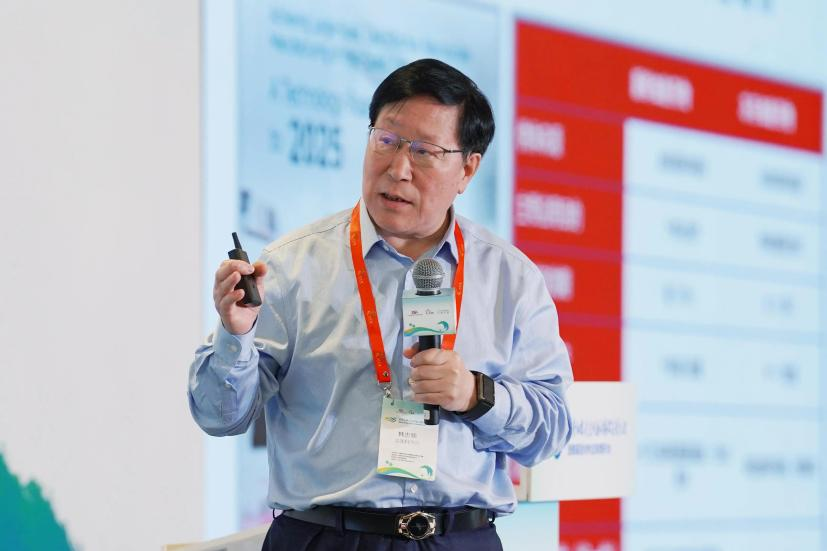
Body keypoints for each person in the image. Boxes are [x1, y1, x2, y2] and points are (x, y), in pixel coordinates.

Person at [189, 58, 573, 550]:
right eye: (387, 141)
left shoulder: (510, 277)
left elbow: (552, 431)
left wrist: (476, 395)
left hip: (458, 539)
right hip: (324, 537)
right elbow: (218, 416)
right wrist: (235, 335)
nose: (398, 169)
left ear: (467, 169)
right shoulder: (292, 266)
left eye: (425, 151)